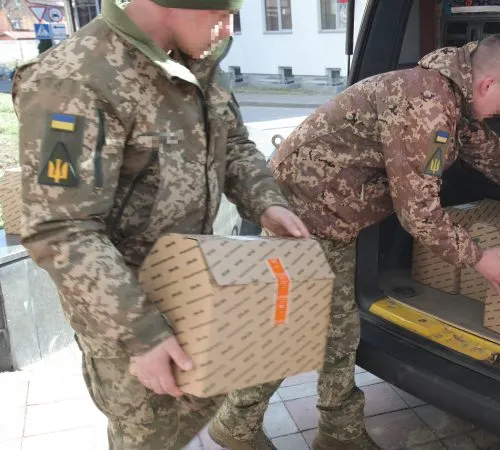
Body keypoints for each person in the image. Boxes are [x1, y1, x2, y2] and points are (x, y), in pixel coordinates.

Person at [265, 35, 500, 449]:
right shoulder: (427, 106)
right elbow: (418, 214)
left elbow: (499, 159)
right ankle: (240, 424)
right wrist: (479, 259)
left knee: (338, 328)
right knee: (292, 325)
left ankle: (338, 433)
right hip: (303, 210)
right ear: (486, 84)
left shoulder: (451, 101)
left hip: (332, 212)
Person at [11, 0, 309, 448]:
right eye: (219, 15)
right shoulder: (76, 80)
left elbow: (236, 144)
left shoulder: (197, 59)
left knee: (192, 409)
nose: (228, 28)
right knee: (147, 433)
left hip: (191, 282)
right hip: (126, 307)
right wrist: (143, 336)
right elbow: (61, 228)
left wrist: (266, 203)